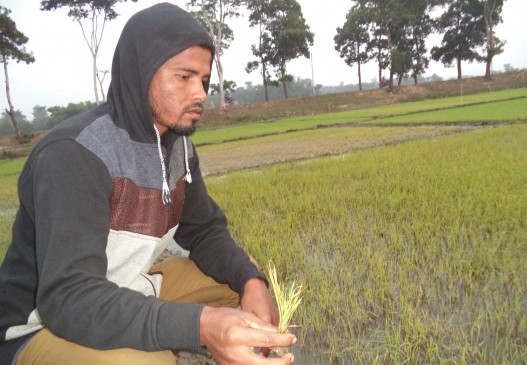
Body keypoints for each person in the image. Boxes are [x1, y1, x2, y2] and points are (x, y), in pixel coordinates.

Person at [0, 3, 296, 365]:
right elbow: (69, 298)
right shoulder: (75, 154)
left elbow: (202, 231)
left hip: (127, 286)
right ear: (141, 73)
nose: (201, 93)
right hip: (42, 324)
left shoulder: (178, 145)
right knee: (146, 362)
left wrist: (252, 281)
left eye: (203, 80)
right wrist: (199, 325)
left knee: (238, 280)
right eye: (184, 77)